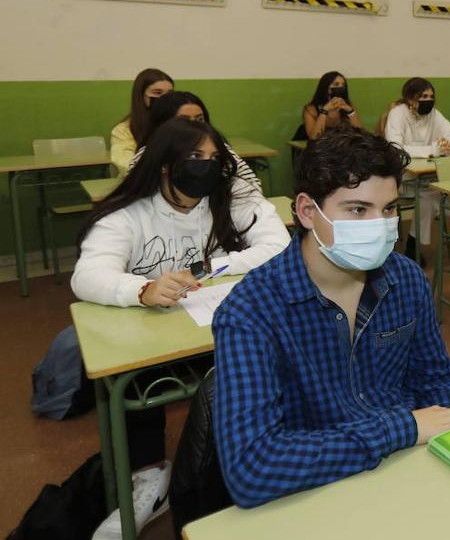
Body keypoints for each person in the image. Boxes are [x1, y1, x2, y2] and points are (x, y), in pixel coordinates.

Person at [214, 128, 450, 508]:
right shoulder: (249, 311)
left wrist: (433, 431)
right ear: (307, 212)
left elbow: (438, 381)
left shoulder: (405, 278)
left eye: (388, 209)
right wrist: (403, 428)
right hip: (314, 488)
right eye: (358, 209)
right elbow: (252, 468)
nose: (380, 224)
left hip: (408, 466)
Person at [72, 119, 289, 539]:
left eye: (213, 159)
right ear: (165, 164)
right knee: (133, 387)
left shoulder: (230, 199)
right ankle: (150, 476)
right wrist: (143, 288)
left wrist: (209, 267)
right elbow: (87, 275)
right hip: (153, 337)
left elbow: (277, 247)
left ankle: (254, 457)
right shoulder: (129, 213)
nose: (205, 168)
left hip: (214, 322)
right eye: (194, 158)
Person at [382, 77, 450, 258]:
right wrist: (432, 150)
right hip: (401, 177)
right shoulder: (398, 113)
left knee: (429, 192)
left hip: (426, 176)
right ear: (410, 99)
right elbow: (395, 148)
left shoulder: (434, 114)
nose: (429, 100)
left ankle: (413, 245)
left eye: (431, 96)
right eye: (423, 96)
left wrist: (448, 147)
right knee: (429, 193)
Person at [139, 91, 261, 192]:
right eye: (184, 121)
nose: (194, 126)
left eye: (200, 119)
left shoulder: (217, 147)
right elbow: (139, 194)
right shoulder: (148, 153)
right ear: (164, 124)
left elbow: (253, 185)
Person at [110, 68, 173, 174]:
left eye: (170, 94)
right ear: (141, 96)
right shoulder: (123, 130)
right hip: (138, 184)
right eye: (157, 93)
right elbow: (126, 164)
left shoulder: (178, 122)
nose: (165, 98)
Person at [299, 71, 364, 141]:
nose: (341, 87)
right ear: (326, 87)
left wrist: (350, 111)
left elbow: (360, 133)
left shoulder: (348, 105)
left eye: (343, 85)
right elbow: (314, 137)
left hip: (342, 146)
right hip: (320, 148)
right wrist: (324, 111)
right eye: (336, 84)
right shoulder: (311, 109)